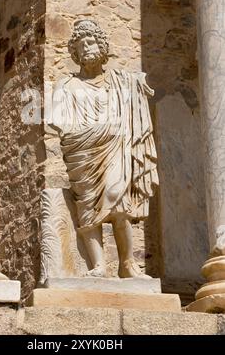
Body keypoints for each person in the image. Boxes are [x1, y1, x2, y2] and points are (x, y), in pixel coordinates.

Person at [51, 19, 159, 278]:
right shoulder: (65, 86)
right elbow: (57, 119)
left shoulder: (121, 81)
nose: (86, 48)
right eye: (80, 45)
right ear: (74, 53)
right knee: (87, 208)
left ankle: (127, 264)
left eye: (90, 42)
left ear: (101, 46)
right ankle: (98, 265)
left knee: (119, 204)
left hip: (114, 150)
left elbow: (140, 94)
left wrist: (138, 86)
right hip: (82, 154)